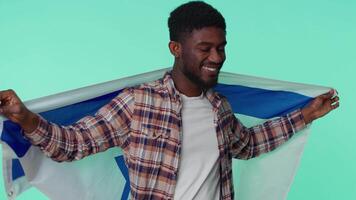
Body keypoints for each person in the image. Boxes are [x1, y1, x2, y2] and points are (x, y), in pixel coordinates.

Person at [0, 1, 339, 200]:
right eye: (204, 48)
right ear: (176, 49)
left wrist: (306, 114)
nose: (217, 57)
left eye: (221, 47)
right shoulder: (138, 103)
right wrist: (26, 118)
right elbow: (73, 145)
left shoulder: (219, 107)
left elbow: (248, 144)